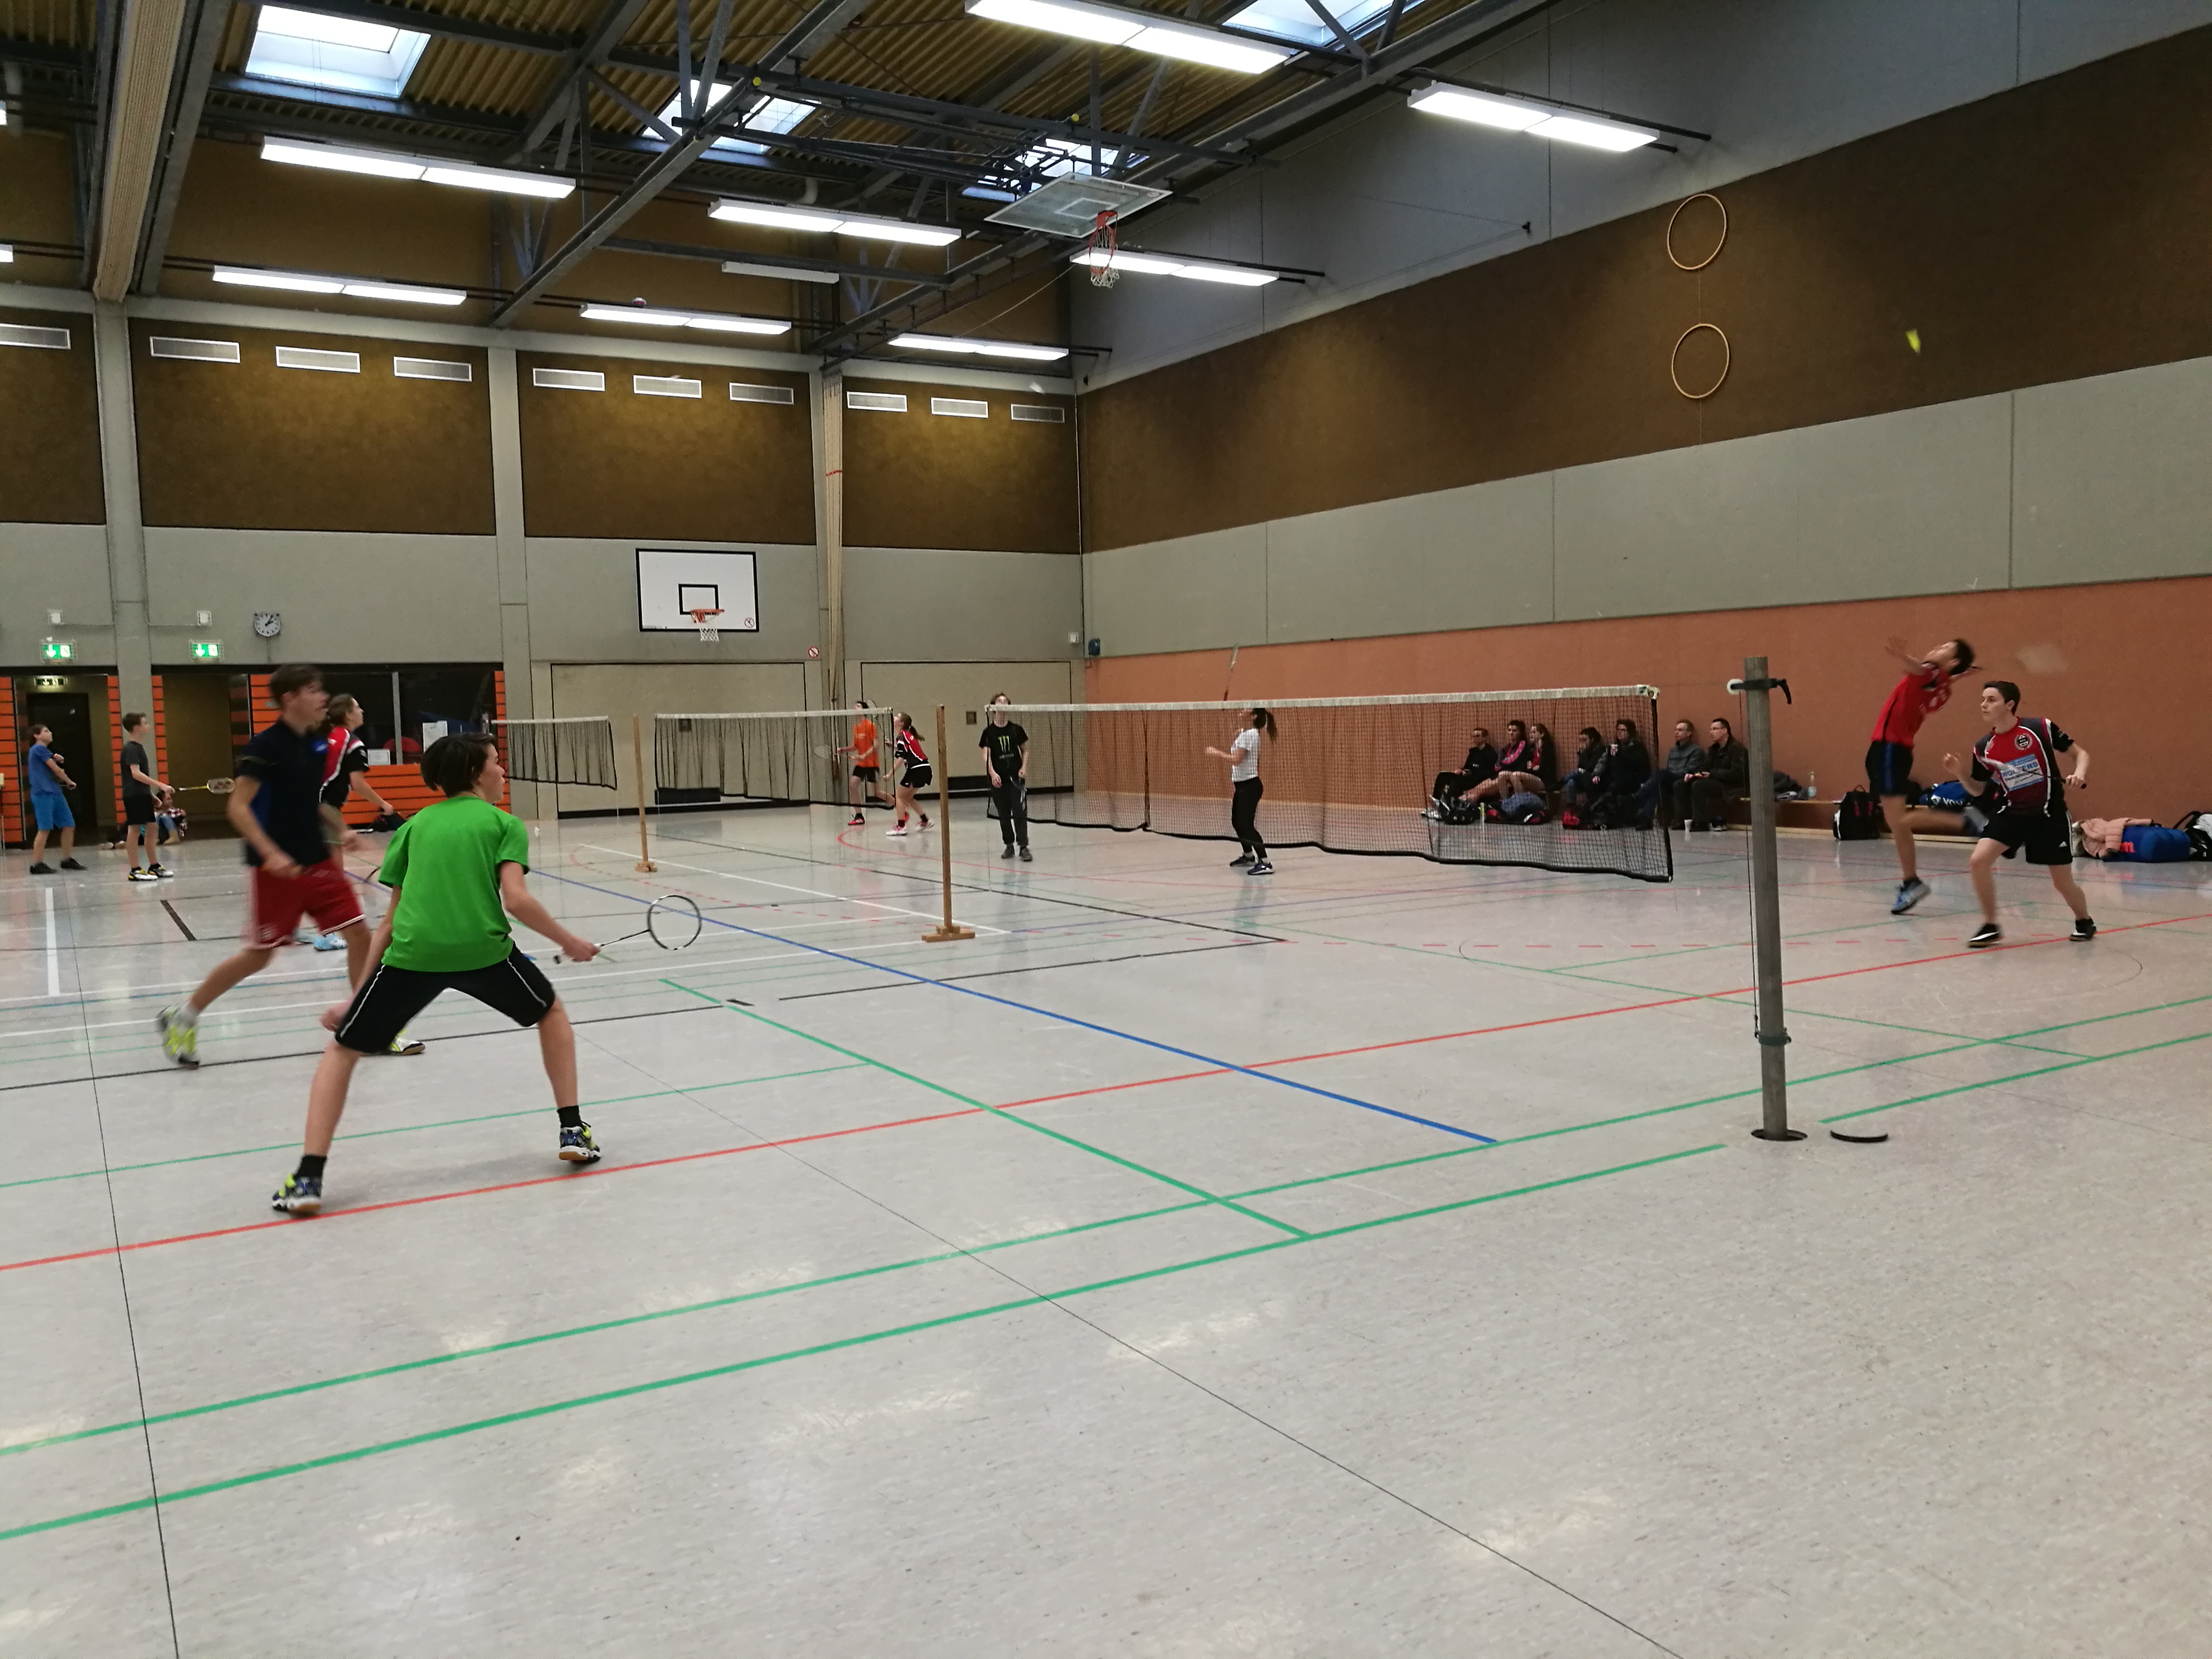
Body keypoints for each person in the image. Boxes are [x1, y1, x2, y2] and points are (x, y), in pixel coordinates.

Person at [271, 734, 602, 1215]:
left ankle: (308, 1177)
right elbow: (516, 899)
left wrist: (357, 998)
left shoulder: (414, 827)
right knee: (550, 1014)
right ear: (475, 773)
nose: (502, 771)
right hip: (484, 952)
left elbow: (390, 920)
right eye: (496, 762)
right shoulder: (504, 824)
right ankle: (572, 1130)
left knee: (342, 1051)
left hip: (413, 955)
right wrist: (569, 941)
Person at [158, 665, 371, 1068]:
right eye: (313, 690)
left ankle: (362, 1020)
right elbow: (237, 808)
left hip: (317, 860)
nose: (323, 697)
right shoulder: (266, 746)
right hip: (275, 871)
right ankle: (183, 1014)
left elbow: (311, 801)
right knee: (259, 956)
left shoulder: (315, 742)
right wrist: (270, 853)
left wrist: (340, 829)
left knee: (359, 933)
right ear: (290, 698)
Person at [1942, 680, 2093, 948]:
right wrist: (1960, 774)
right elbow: (1978, 790)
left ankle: (2084, 921)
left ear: (2009, 705)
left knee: (2061, 882)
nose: (1984, 705)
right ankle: (1990, 925)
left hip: (2049, 814)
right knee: (1978, 861)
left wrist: (2079, 774)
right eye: (1983, 699)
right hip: (2011, 812)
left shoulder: (2040, 728)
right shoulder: (1984, 747)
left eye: (1991, 700)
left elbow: (2081, 754)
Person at [1869, 636, 1975, 914]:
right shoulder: (1944, 686)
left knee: (1898, 819)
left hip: (1890, 749)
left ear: (1952, 662)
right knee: (1897, 822)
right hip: (1892, 751)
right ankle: (1911, 882)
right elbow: (1939, 678)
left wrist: (1901, 655)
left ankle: (1964, 820)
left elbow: (1919, 669)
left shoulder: (1930, 675)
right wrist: (1958, 674)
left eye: (1944, 648)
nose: (1937, 647)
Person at [1205, 707, 1274, 874]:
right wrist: (1241, 731)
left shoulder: (1249, 735)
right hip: (1242, 786)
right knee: (1237, 822)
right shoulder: (1248, 733)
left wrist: (1215, 753)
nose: (1243, 709)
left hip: (1250, 787)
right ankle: (1249, 856)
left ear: (1254, 716)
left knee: (1247, 826)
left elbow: (1236, 760)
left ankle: (1265, 862)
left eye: (1247, 709)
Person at [119, 713, 174, 882]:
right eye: (145, 723)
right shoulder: (130, 748)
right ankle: (135, 870)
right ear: (137, 728)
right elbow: (135, 774)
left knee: (152, 828)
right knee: (135, 830)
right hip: (133, 795)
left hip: (142, 794)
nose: (148, 725)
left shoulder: (139, 747)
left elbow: (138, 777)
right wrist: (161, 786)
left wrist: (150, 795)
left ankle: (154, 866)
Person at [24, 724, 85, 875]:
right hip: (43, 793)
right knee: (44, 828)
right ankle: (37, 863)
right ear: (36, 736)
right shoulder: (38, 749)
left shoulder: (46, 752)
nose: (50, 733)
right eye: (46, 731)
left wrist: (59, 760)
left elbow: (53, 766)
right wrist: (69, 781)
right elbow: (55, 769)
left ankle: (67, 859)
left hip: (55, 791)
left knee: (69, 825)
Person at [979, 693, 1032, 861]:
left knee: (1020, 812)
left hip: (1016, 779)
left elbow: (1025, 750)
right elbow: (986, 755)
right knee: (1004, 813)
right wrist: (992, 773)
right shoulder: (988, 732)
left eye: (1006, 701)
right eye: (999, 701)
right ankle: (1009, 845)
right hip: (998, 779)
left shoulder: (1016, 730)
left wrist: (1024, 767)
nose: (1003, 703)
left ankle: (1023, 847)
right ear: (993, 706)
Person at [1683, 717, 1750, 830]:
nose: (1711, 732)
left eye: (1715, 729)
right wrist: (1694, 774)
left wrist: (1712, 774)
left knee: (1699, 786)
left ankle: (1701, 822)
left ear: (1725, 731)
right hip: (1715, 781)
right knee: (1681, 784)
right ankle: (1682, 819)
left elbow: (1738, 774)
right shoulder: (1714, 749)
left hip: (1731, 787)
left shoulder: (1737, 749)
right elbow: (1705, 768)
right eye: (1711, 729)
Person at [1586, 718, 1652, 827]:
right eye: (1618, 730)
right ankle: (1597, 814)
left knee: (1614, 787)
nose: (1620, 733)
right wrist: (1596, 774)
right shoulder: (1613, 747)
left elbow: (1633, 763)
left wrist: (1619, 753)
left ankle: (1600, 814)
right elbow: (1602, 762)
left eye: (1623, 730)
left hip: (1631, 780)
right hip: (1614, 778)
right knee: (1592, 784)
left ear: (1630, 732)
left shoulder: (1637, 747)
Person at [838, 700, 887, 827]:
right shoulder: (856, 728)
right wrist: (844, 749)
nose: (855, 707)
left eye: (859, 706)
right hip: (861, 764)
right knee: (853, 785)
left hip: (872, 764)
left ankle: (899, 806)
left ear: (865, 710)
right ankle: (859, 816)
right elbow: (856, 746)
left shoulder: (870, 725)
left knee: (877, 793)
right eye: (855, 706)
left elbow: (876, 745)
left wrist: (864, 755)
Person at [887, 712, 933, 837]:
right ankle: (925, 820)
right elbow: (908, 751)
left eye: (897, 717)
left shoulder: (901, 736)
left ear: (901, 723)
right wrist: (894, 746)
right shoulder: (908, 736)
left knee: (899, 797)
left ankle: (901, 827)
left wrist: (890, 774)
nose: (894, 718)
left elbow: (901, 758)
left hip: (916, 770)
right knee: (907, 797)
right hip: (925, 769)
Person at [1429, 726, 1498, 808]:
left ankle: (1449, 806)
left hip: (1479, 780)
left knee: (1456, 782)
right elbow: (1467, 767)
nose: (1475, 739)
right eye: (1473, 736)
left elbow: (1489, 772)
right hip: (1467, 777)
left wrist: (1472, 773)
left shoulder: (1490, 752)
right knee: (1443, 776)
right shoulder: (1473, 752)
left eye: (1478, 736)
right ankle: (1436, 802)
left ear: (1484, 738)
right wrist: (1461, 770)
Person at [1651, 720, 1704, 824]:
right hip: (1670, 777)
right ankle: (1657, 818)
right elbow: (1668, 767)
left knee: (1662, 775)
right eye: (1676, 730)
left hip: (1684, 778)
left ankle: (1641, 796)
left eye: (1680, 730)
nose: (1677, 733)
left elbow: (1690, 769)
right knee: (1660, 783)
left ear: (1689, 733)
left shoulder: (1696, 751)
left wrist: (1672, 773)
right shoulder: (1673, 750)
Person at [1559, 727, 1608, 814]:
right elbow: (1581, 767)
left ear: (1592, 740)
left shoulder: (1600, 750)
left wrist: (1583, 754)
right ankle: (1571, 810)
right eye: (1581, 740)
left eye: (1585, 740)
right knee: (1571, 782)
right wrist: (1582, 754)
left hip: (1596, 780)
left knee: (1578, 772)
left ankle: (1560, 783)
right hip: (1584, 780)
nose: (1582, 743)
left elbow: (1590, 767)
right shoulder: (1584, 751)